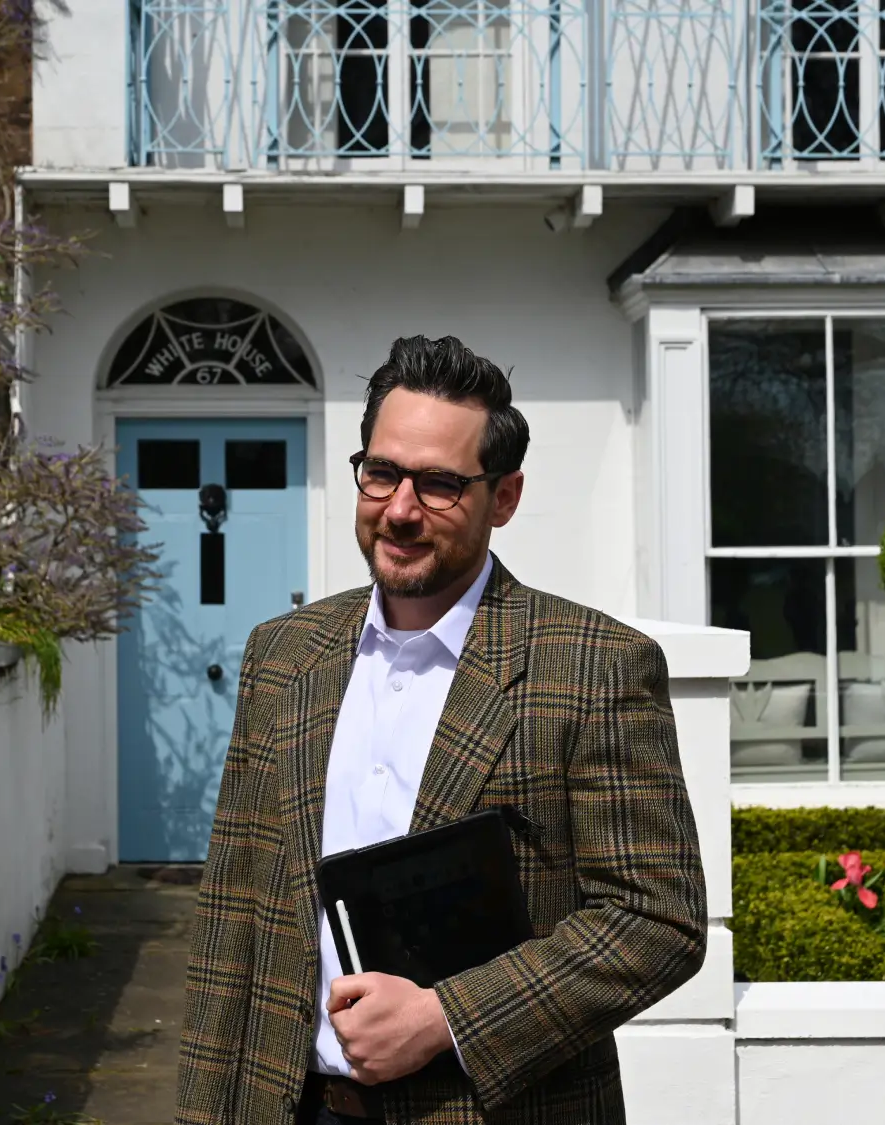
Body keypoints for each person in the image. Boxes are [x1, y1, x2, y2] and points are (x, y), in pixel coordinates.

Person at [176, 335, 707, 1125]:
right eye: (382, 472)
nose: (399, 509)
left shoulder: (597, 664)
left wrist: (448, 1016)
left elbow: (656, 918)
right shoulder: (282, 655)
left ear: (505, 497)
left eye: (438, 484)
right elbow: (233, 913)